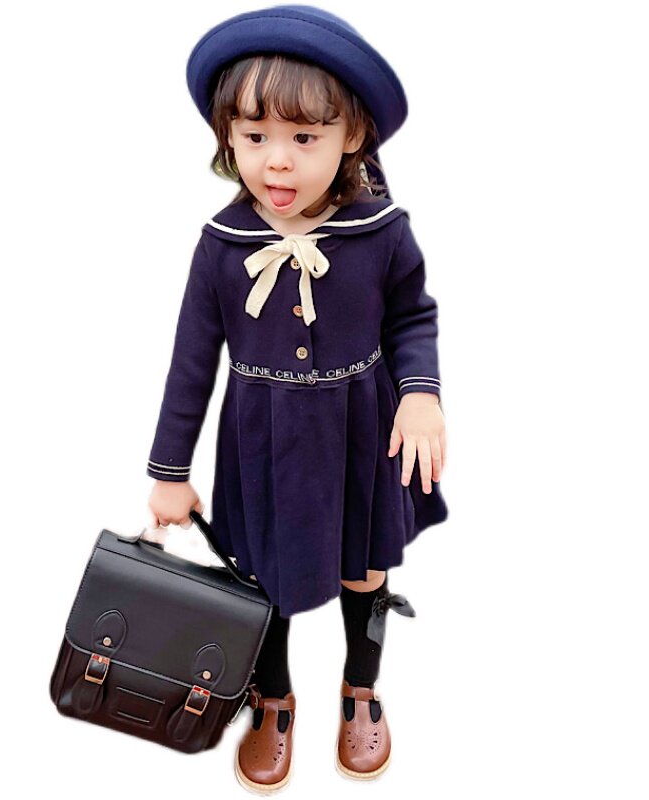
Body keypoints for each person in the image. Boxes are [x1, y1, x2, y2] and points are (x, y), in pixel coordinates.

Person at [144, 4, 448, 791]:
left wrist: (420, 393)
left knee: (364, 571)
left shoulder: (382, 231)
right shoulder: (221, 246)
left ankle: (361, 689)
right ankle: (271, 697)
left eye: (305, 138)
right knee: (262, 579)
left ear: (353, 136)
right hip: (262, 443)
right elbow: (190, 364)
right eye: (254, 136)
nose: (276, 162)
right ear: (228, 137)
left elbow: (412, 315)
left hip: (362, 435)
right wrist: (169, 471)